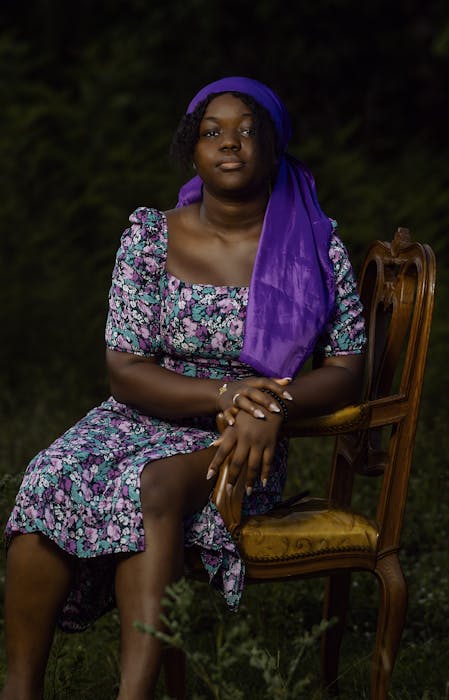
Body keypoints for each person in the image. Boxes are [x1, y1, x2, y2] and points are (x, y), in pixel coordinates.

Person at [1, 77, 366, 700]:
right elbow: (126, 368)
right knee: (47, 475)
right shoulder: (149, 237)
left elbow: (347, 365)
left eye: (249, 131)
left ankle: (134, 694)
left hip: (244, 442)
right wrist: (227, 393)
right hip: (143, 413)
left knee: (155, 484)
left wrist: (268, 404)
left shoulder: (314, 245)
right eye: (212, 132)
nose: (231, 143)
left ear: (275, 149)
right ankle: (20, 686)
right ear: (192, 149)